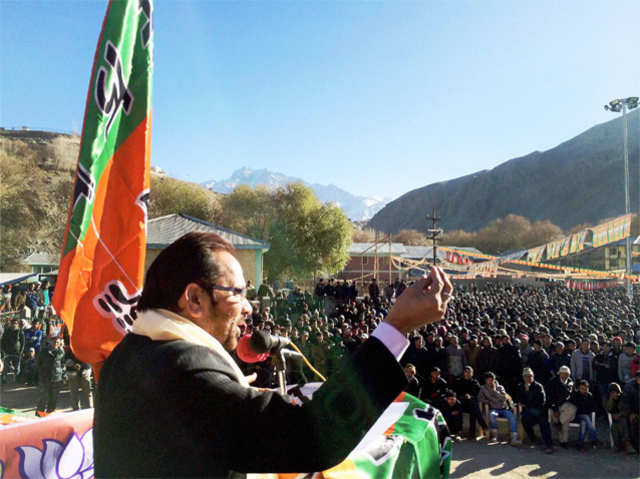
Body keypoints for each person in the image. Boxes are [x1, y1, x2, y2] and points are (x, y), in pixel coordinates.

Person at [94, 232, 453, 477]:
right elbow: (311, 437)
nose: (249, 308)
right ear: (194, 299)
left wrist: (234, 394)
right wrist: (396, 326)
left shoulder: (136, 350)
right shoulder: (184, 372)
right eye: (237, 292)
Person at [478, 371, 521, 446]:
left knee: (511, 417)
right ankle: (495, 436)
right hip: (494, 409)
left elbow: (504, 398)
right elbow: (480, 398)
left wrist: (495, 391)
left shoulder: (500, 387)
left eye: (492, 379)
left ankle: (513, 438)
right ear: (486, 380)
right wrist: (488, 401)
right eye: (489, 380)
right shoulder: (483, 388)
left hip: (503, 409)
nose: (491, 381)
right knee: (492, 415)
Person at [516, 368, 553, 454]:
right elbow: (519, 400)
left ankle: (549, 445)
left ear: (533, 376)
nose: (528, 378)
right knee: (524, 420)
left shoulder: (538, 386)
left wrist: (528, 398)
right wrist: (526, 392)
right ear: (523, 377)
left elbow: (542, 400)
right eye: (526, 376)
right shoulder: (521, 386)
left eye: (530, 376)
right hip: (529, 413)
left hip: (539, 411)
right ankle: (533, 439)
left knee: (544, 423)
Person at [546, 365, 576, 448]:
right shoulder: (553, 382)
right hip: (553, 405)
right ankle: (563, 441)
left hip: (564, 405)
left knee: (572, 409)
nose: (565, 375)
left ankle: (558, 423)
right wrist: (555, 409)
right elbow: (549, 397)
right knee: (564, 422)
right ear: (559, 374)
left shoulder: (570, 382)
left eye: (567, 374)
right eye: (563, 374)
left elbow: (572, 396)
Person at [36, 336, 65, 417]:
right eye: (54, 342)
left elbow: (63, 364)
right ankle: (38, 417)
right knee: (43, 399)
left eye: (57, 342)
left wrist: (62, 373)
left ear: (59, 343)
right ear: (50, 342)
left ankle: (49, 417)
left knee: (53, 400)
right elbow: (38, 363)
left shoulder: (61, 352)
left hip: (57, 378)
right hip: (45, 378)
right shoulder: (44, 351)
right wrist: (41, 374)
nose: (56, 343)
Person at [569, 379, 599, 451]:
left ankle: (580, 444)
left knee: (584, 423)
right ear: (579, 388)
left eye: (586, 388)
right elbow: (576, 407)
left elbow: (593, 408)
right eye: (582, 389)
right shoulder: (575, 395)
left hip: (586, 417)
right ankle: (594, 439)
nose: (584, 390)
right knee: (585, 417)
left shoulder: (589, 396)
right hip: (577, 416)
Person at [606, 382, 636, 454]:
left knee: (622, 422)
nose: (613, 394)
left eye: (614, 392)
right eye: (611, 392)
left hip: (625, 417)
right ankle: (619, 444)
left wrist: (619, 415)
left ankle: (626, 443)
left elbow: (627, 409)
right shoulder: (609, 399)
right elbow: (608, 409)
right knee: (614, 426)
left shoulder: (623, 398)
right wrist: (611, 400)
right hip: (615, 419)